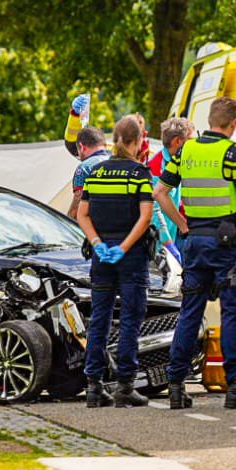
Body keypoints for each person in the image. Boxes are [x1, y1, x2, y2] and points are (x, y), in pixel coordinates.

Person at [154, 96, 236, 411]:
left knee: (190, 311)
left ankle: (175, 385)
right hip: (226, 242)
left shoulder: (186, 149)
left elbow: (160, 192)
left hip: (194, 242)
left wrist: (182, 225)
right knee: (232, 312)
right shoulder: (232, 152)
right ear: (232, 125)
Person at [76, 115, 156, 409]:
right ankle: (125, 386)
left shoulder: (95, 173)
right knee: (131, 321)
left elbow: (81, 214)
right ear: (136, 141)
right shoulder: (139, 174)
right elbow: (145, 216)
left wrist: (98, 243)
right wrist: (123, 247)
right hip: (131, 256)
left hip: (101, 257)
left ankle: (94, 386)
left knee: (99, 320)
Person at [150, 117, 195, 259]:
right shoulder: (155, 167)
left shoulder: (185, 161)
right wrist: (168, 245)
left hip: (184, 233)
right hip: (169, 240)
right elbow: (155, 212)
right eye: (191, 139)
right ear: (177, 141)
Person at [66, 125, 111, 217]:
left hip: (98, 228)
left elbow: (77, 209)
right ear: (105, 145)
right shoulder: (124, 161)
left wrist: (66, 222)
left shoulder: (85, 168)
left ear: (82, 147)